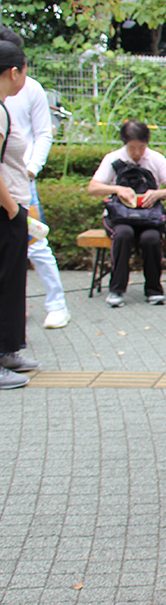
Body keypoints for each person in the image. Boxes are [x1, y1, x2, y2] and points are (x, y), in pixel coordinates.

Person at [0, 26, 70, 329]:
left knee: (35, 243)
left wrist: (31, 169)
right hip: (8, 184)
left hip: (20, 179)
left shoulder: (31, 88)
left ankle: (56, 304)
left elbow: (43, 132)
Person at [86, 119, 166, 307]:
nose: (137, 153)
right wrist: (117, 190)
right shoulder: (113, 159)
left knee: (152, 238)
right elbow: (92, 187)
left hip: (148, 218)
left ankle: (154, 290)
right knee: (123, 234)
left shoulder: (155, 158)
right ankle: (117, 289)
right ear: (124, 144)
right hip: (120, 218)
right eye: (132, 148)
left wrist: (158, 193)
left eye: (142, 147)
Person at [0, 40, 38, 389]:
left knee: (12, 283)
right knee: (4, 282)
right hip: (5, 209)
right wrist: (12, 208)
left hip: (12, 206)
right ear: (14, 72)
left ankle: (8, 351)